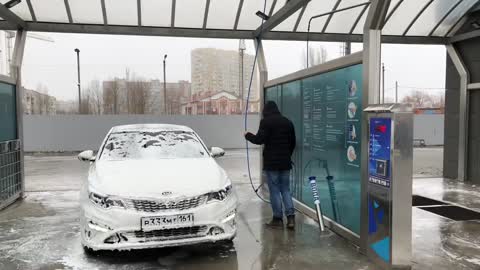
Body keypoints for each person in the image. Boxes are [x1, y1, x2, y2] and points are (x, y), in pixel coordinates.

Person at [245, 101, 296, 230]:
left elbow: (259, 140)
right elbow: (293, 142)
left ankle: (277, 219)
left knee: (274, 191)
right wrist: (287, 156)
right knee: (285, 189)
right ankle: (290, 219)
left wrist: (247, 135)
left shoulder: (266, 122)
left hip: (272, 164)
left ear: (265, 111)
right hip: (285, 163)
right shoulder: (288, 122)